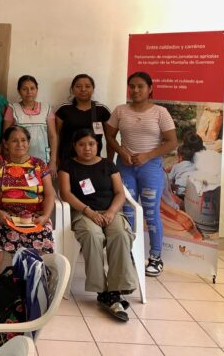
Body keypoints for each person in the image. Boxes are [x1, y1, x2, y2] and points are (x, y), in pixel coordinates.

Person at [59, 128, 137, 321]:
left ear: (97, 145)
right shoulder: (67, 165)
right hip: (84, 212)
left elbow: (120, 193)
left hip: (110, 212)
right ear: (74, 146)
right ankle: (102, 290)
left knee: (120, 234)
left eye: (91, 144)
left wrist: (111, 212)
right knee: (93, 236)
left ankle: (116, 289)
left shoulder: (108, 164)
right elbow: (66, 194)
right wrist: (88, 211)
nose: (87, 148)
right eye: (81, 144)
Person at [105, 71, 177, 277]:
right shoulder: (120, 111)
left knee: (151, 212)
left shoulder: (160, 112)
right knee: (127, 212)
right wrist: (121, 152)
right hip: (125, 167)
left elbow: (172, 142)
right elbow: (109, 136)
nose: (135, 90)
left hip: (150, 167)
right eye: (132, 86)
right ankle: (128, 254)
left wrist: (147, 156)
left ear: (150, 88)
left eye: (140, 86)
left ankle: (155, 257)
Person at [0, 126, 56, 275]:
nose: (20, 144)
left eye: (23, 140)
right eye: (14, 141)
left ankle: (40, 280)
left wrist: (45, 216)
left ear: (28, 143)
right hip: (5, 216)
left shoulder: (39, 164)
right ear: (6, 144)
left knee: (44, 233)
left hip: (34, 217)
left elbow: (49, 194)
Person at [55, 74, 113, 166]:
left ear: (93, 89)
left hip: (94, 162)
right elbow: (56, 136)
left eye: (87, 86)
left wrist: (109, 162)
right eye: (78, 86)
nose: (83, 89)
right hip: (67, 161)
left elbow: (110, 138)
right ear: (72, 89)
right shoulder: (63, 109)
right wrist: (55, 159)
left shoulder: (102, 110)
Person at [2, 75, 58, 169]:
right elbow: (5, 135)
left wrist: (53, 161)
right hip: (18, 159)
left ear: (37, 89)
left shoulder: (46, 108)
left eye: (32, 88)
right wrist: (6, 156)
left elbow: (52, 136)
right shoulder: (12, 108)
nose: (29, 92)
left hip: (42, 158)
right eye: (24, 89)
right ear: (19, 91)